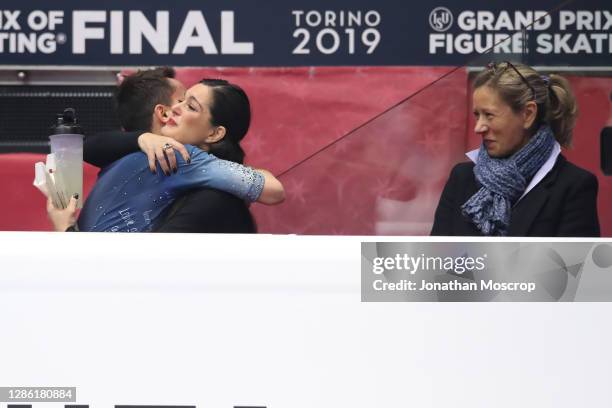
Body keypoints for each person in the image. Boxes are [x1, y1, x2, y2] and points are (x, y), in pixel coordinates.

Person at [50, 76, 284, 232]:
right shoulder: (147, 152)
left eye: (190, 106)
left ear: (214, 134)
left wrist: (66, 232)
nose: (177, 108)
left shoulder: (185, 158)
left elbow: (274, 191)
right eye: (180, 101)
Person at [431, 61, 600, 237]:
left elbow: (574, 263)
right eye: (477, 115)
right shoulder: (462, 178)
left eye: (489, 115)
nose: (479, 127)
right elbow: (438, 259)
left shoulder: (573, 186)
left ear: (528, 114)